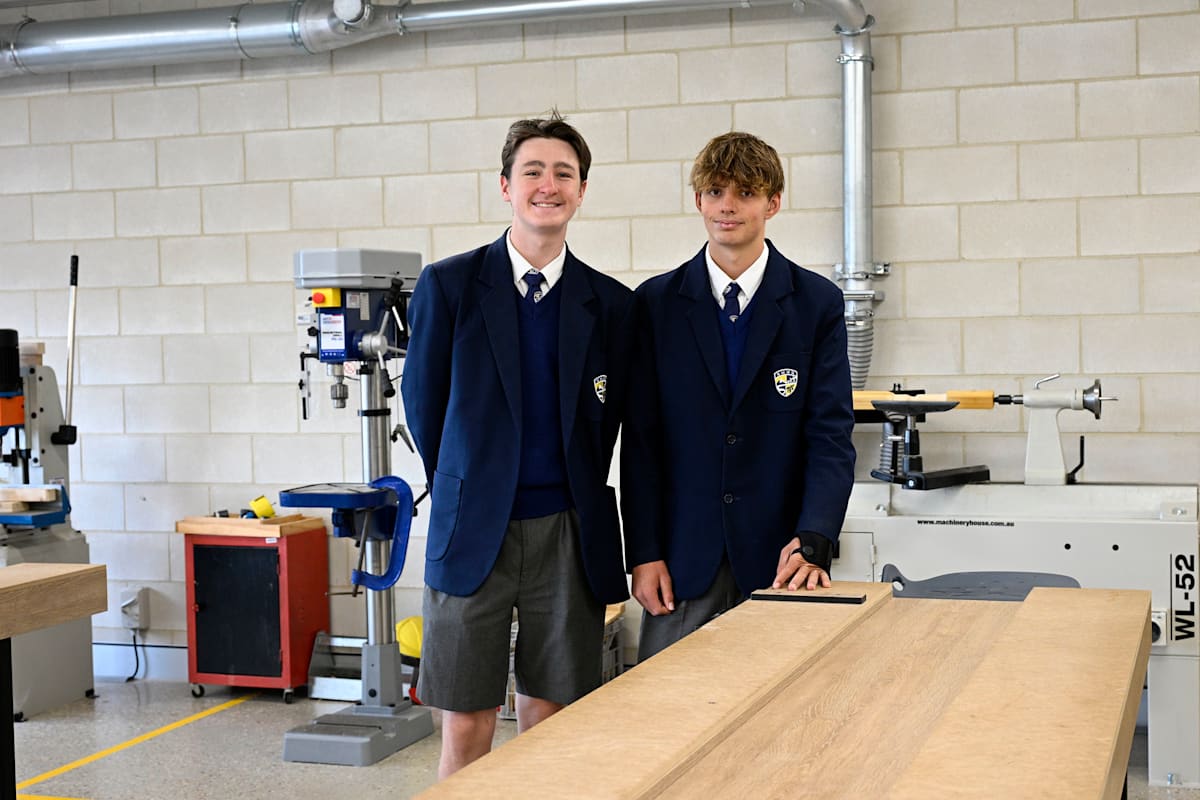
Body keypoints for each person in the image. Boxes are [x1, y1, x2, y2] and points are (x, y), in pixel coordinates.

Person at [401, 112, 632, 778]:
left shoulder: (610, 305)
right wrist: (469, 483)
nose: (547, 185)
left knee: (550, 723)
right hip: (473, 528)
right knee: (466, 723)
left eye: (563, 173)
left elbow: (610, 423)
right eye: (532, 171)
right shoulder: (450, 286)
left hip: (568, 532)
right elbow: (425, 407)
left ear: (581, 191)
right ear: (506, 186)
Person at [621, 131, 856, 662]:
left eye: (746, 193)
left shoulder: (816, 303)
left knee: (785, 703)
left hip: (782, 559)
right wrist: (644, 553)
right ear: (698, 200)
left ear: (773, 203)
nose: (728, 205)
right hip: (682, 560)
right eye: (716, 191)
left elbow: (830, 435)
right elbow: (640, 444)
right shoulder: (655, 305)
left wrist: (814, 537)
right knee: (669, 703)